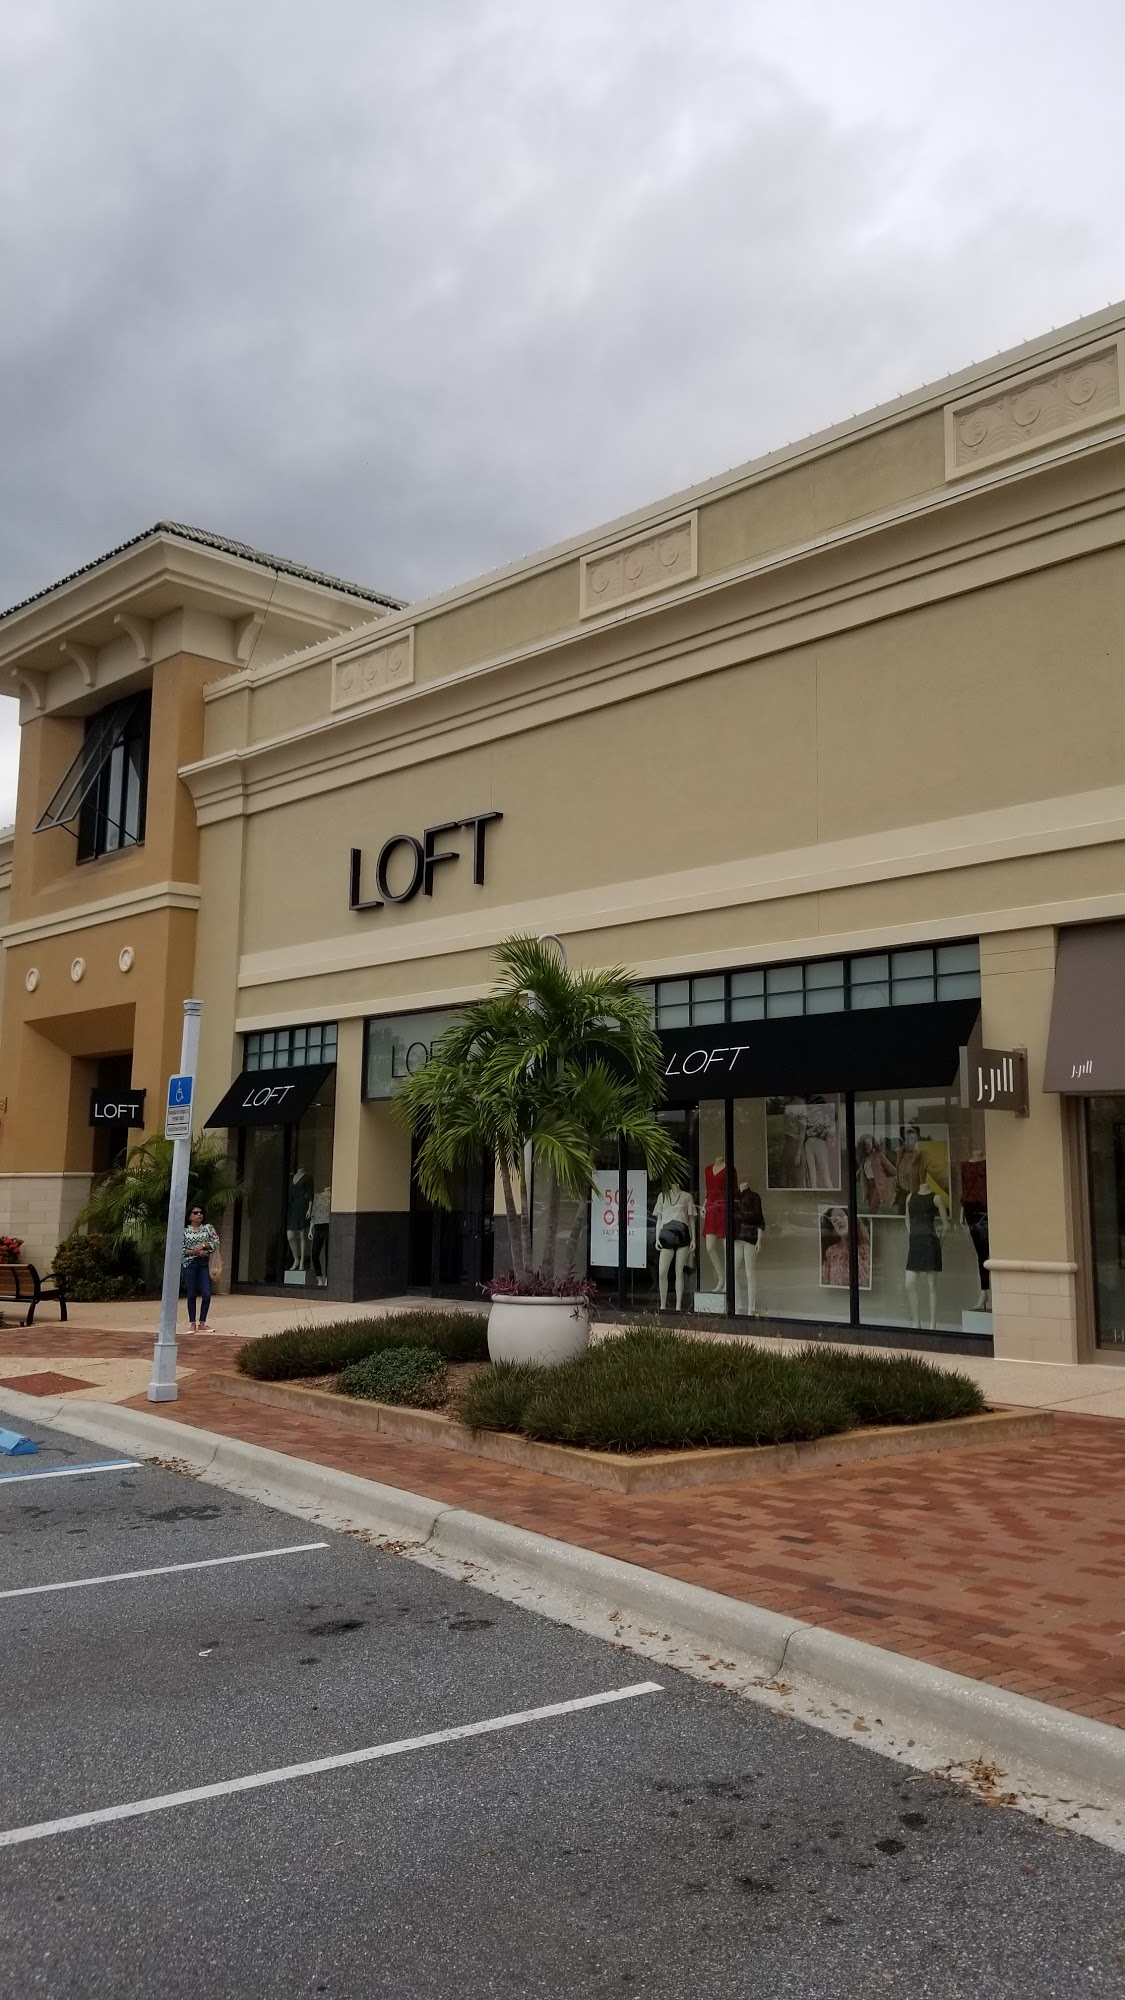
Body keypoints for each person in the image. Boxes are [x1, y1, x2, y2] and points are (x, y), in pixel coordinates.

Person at [183, 1204, 220, 1333]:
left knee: (206, 1293)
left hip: (204, 1263)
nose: (199, 1215)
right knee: (191, 1294)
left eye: (201, 1212)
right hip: (190, 1264)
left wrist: (203, 1245)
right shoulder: (184, 1231)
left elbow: (216, 1242)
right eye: (195, 1213)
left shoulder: (208, 1228)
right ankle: (192, 1323)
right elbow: (181, 1249)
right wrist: (195, 1252)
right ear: (189, 1216)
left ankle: (202, 1322)